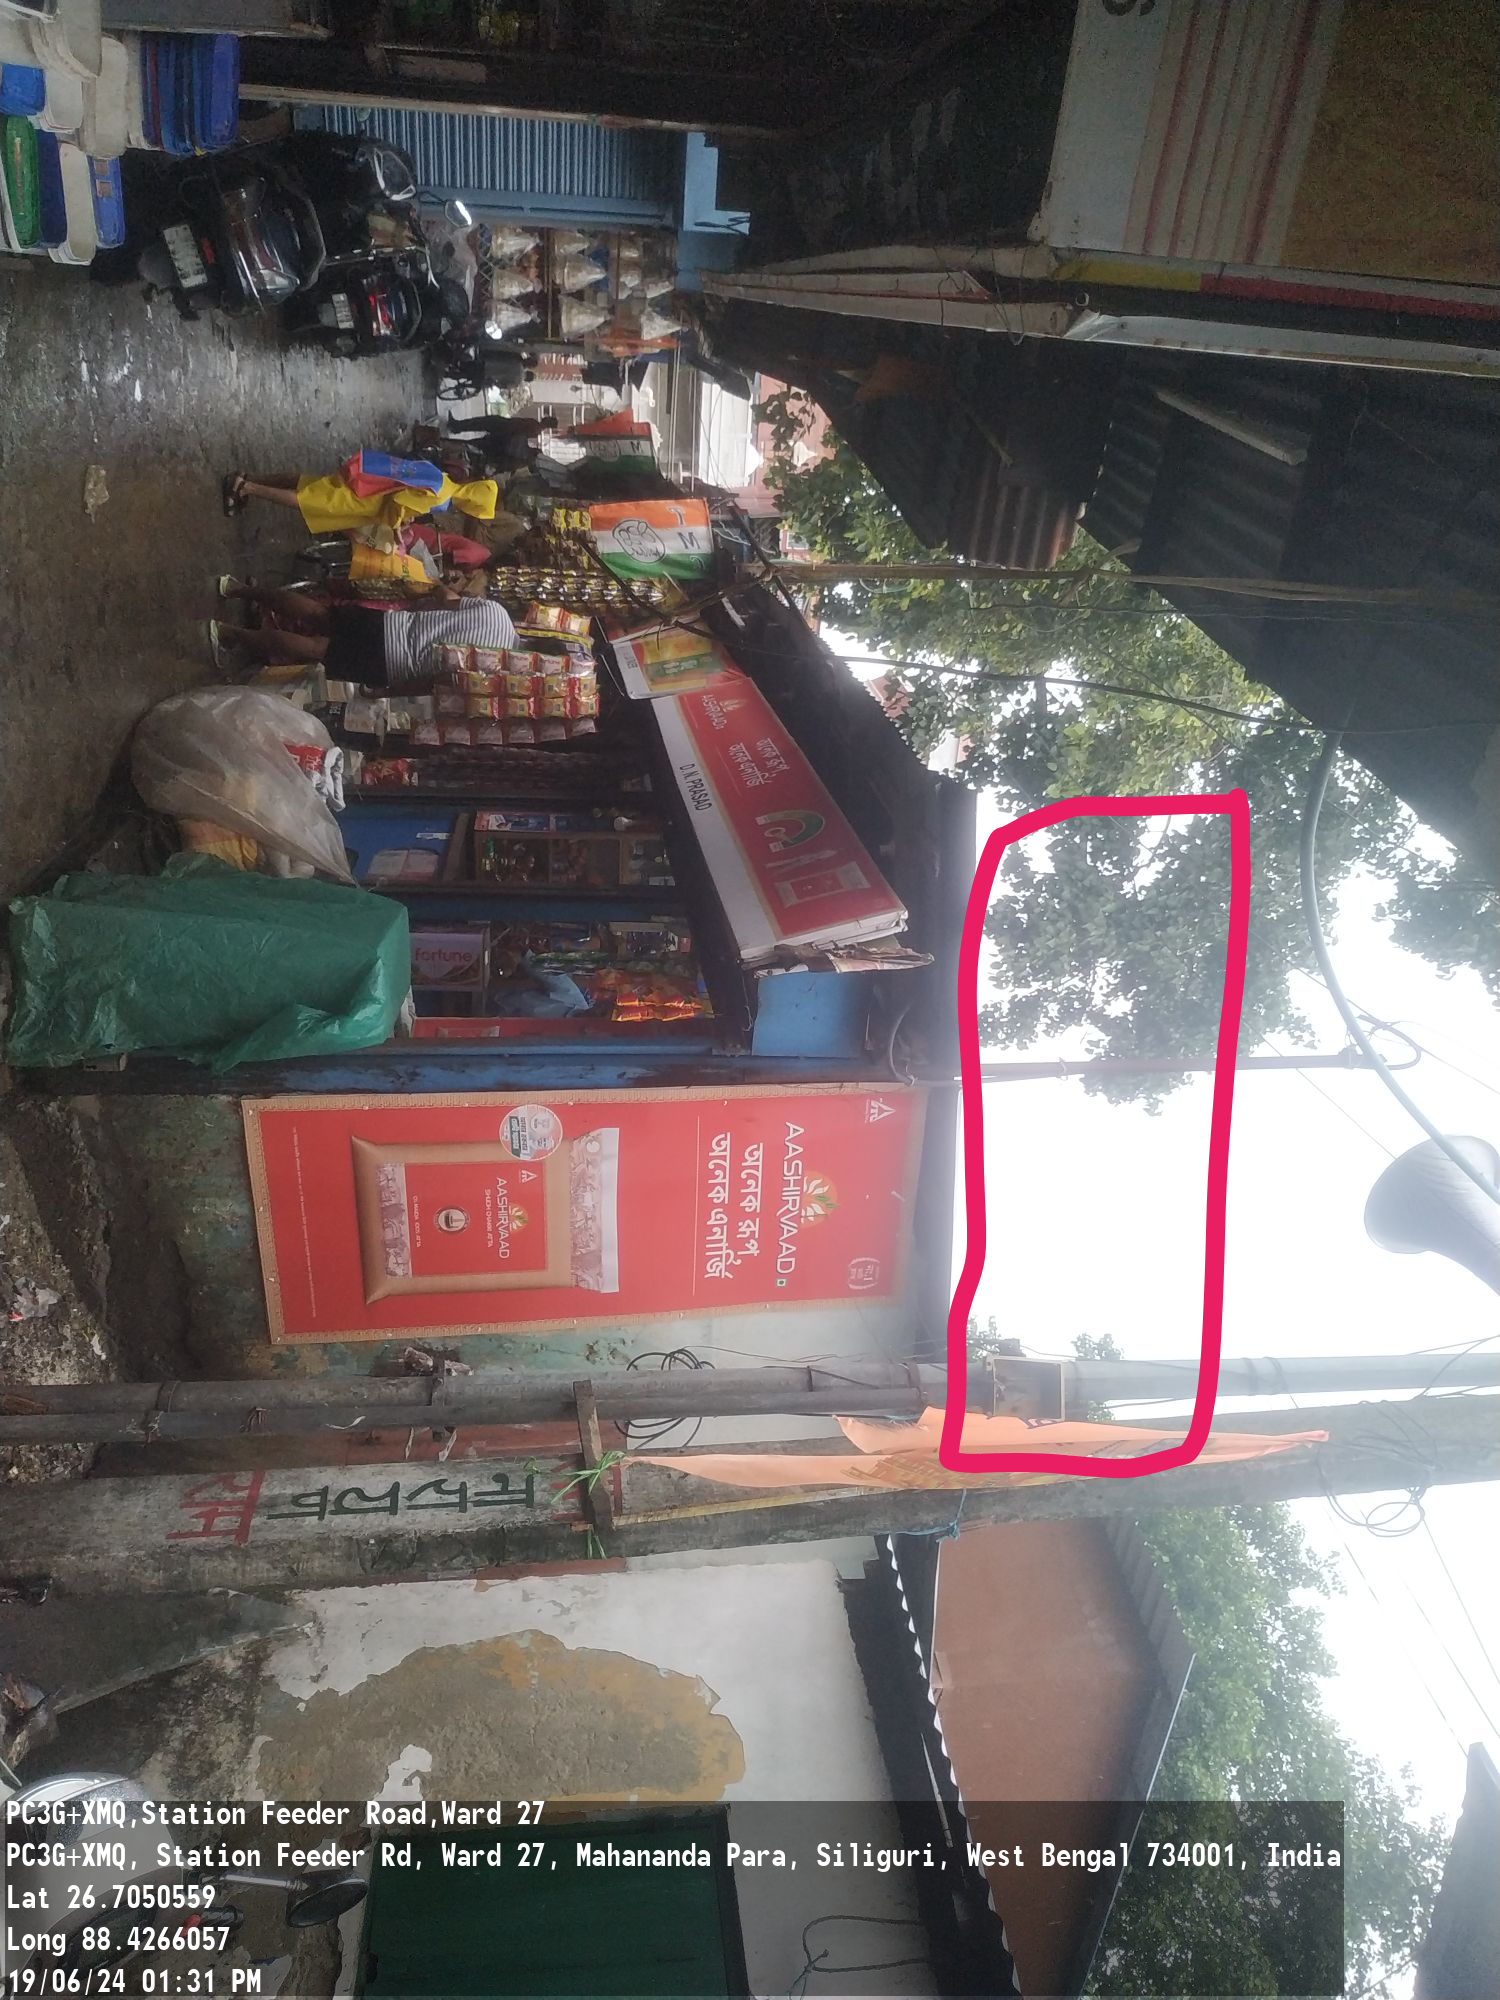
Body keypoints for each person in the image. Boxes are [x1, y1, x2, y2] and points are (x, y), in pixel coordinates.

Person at [210, 584, 519, 691]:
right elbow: (433, 681)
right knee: (316, 650)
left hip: (391, 624)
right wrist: (387, 692)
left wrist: (439, 590)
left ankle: (236, 589)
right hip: (393, 663)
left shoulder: (497, 612)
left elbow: (446, 600)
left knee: (318, 613)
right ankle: (230, 633)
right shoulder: (494, 671)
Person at [222, 467, 500, 537]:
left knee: (307, 482)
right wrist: (397, 528)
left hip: (366, 481)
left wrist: (406, 515)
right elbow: (398, 502)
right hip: (364, 500)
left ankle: (251, 477)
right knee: (306, 501)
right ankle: (247, 487)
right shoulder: (440, 497)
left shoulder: (445, 481)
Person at [488, 952, 593, 1019]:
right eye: (600, 1012)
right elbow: (536, 965)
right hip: (495, 991)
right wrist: (515, 960)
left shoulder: (568, 1038)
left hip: (492, 1022)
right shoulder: (570, 994)